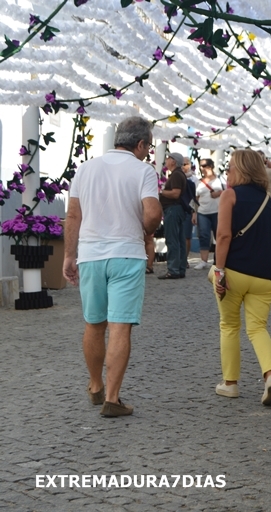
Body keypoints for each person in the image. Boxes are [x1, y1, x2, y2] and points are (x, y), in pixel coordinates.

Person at [62, 116, 162, 417]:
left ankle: (95, 385)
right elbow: (153, 214)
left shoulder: (86, 168)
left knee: (94, 324)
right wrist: (147, 233)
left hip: (91, 254)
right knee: (120, 326)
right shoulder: (143, 170)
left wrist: (69, 255)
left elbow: (73, 215)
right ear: (141, 143)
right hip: (127, 254)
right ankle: (113, 398)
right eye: (149, 146)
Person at [213, 149, 271, 405]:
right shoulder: (268, 200)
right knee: (258, 328)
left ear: (240, 169)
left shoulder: (229, 195)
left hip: (234, 273)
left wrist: (219, 271)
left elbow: (223, 236)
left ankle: (230, 384)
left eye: (230, 167)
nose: (228, 171)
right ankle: (270, 376)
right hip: (265, 276)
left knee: (229, 326)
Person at [158, 152, 187, 279]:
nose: (166, 160)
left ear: (174, 161)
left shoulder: (176, 175)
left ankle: (173, 269)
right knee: (179, 240)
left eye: (168, 158)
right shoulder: (179, 174)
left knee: (172, 239)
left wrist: (160, 191)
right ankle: (180, 268)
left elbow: (175, 193)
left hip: (173, 210)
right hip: (177, 210)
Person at [192, 158, 223, 270]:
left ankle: (218, 260)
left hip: (217, 211)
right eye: (201, 165)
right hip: (202, 212)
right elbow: (195, 199)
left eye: (204, 165)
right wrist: (194, 213)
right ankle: (203, 261)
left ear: (210, 166)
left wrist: (219, 192)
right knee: (204, 236)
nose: (202, 168)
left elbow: (228, 192)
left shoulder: (220, 179)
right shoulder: (199, 182)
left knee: (218, 236)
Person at [182, 157, 198, 265]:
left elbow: (195, 198)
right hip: (179, 209)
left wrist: (194, 213)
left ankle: (185, 258)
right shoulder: (174, 177)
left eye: (185, 164)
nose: (183, 167)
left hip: (188, 210)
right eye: (181, 164)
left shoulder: (194, 180)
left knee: (187, 236)